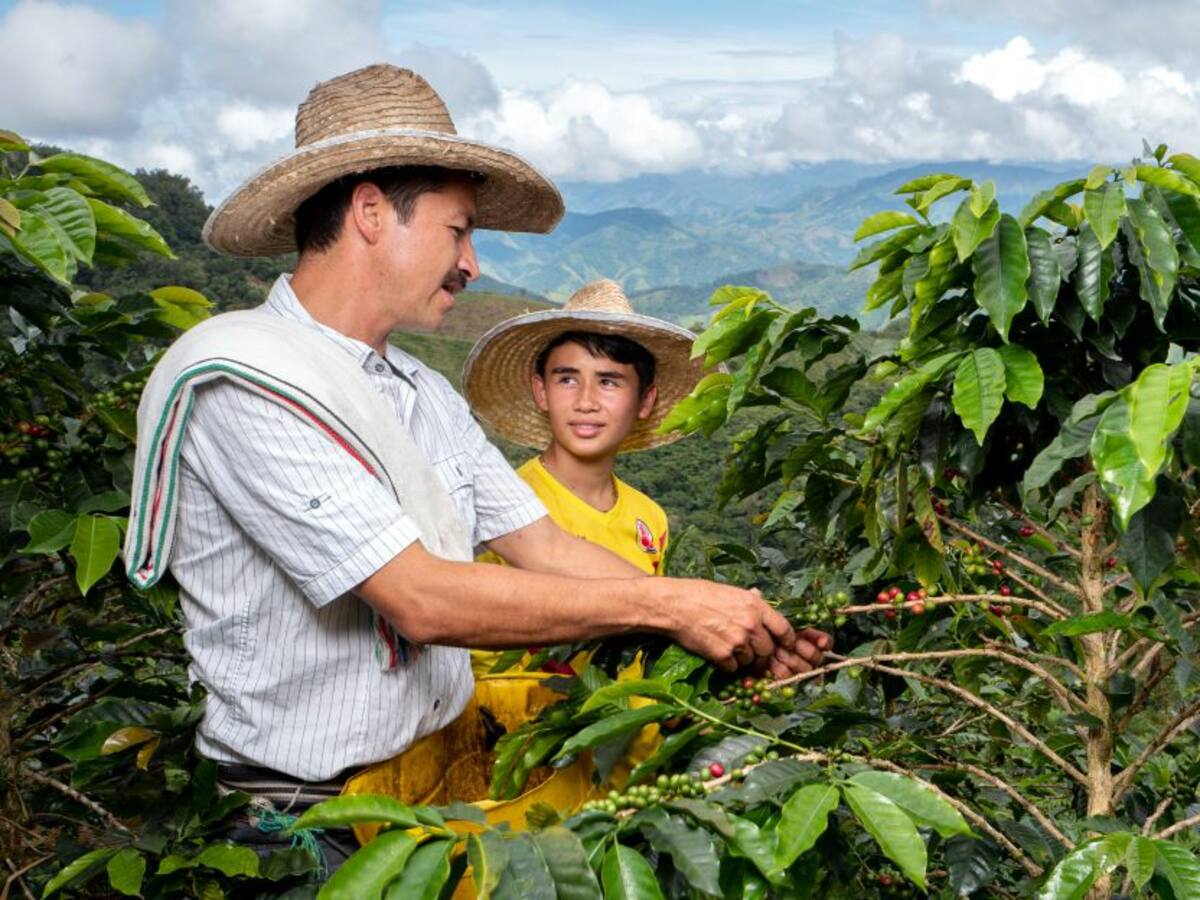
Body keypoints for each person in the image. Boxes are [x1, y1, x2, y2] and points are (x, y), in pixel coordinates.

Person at [123, 64, 828, 870]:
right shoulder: (247, 380)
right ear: (370, 212)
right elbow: (419, 598)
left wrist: (741, 625)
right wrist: (673, 607)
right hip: (302, 822)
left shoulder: (422, 393)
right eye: (459, 230)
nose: (472, 263)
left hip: (426, 794)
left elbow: (545, 545)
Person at [464, 278, 700, 677]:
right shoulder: (507, 503)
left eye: (609, 381)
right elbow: (481, 654)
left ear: (646, 400)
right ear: (541, 392)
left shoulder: (650, 517)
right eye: (567, 379)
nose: (586, 401)